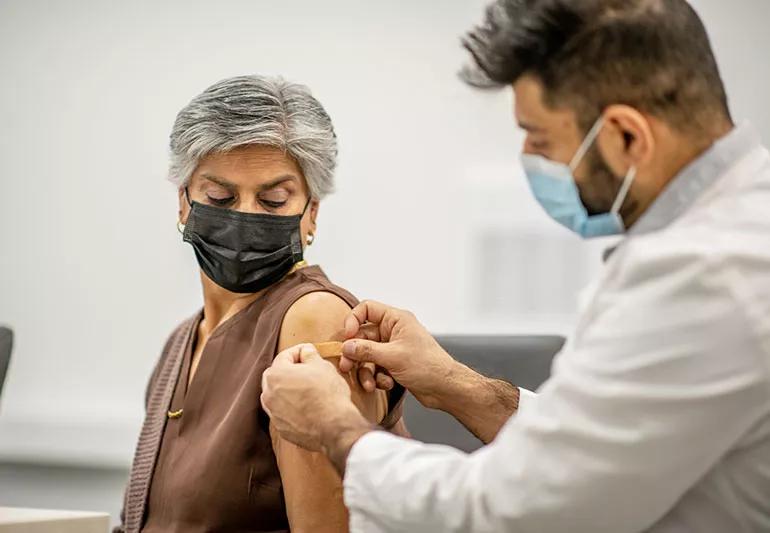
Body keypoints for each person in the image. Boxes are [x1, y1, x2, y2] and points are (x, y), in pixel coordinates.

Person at [261, 1, 770, 531]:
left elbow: (513, 509)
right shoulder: (735, 231)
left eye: (541, 139)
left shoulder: (707, 274)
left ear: (625, 137)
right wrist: (455, 383)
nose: (528, 154)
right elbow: (596, 451)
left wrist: (338, 430)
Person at [115, 75, 406, 533]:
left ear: (311, 214)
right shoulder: (182, 341)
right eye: (220, 197)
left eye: (273, 200)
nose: (246, 216)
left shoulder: (312, 318)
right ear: (183, 204)